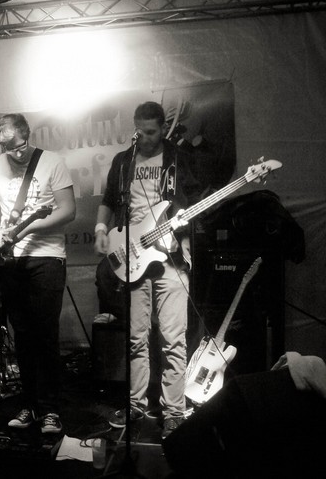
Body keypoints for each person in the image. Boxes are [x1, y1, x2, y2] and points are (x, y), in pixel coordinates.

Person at [94, 101, 201, 438]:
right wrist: (100, 229)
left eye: (152, 132)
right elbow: (109, 199)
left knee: (173, 339)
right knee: (136, 338)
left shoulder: (179, 158)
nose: (145, 137)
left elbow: (197, 201)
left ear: (164, 127)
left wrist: (184, 231)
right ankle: (135, 405)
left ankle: (174, 411)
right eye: (140, 131)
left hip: (171, 259)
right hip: (134, 257)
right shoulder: (123, 161)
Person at [0, 113, 76, 434]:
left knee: (45, 334)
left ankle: (50, 409)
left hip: (47, 257)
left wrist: (30, 228)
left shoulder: (52, 162)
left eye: (19, 146)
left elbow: (68, 209)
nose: (15, 153)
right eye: (7, 147)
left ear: (28, 134)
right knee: (21, 335)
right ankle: (30, 404)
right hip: (11, 260)